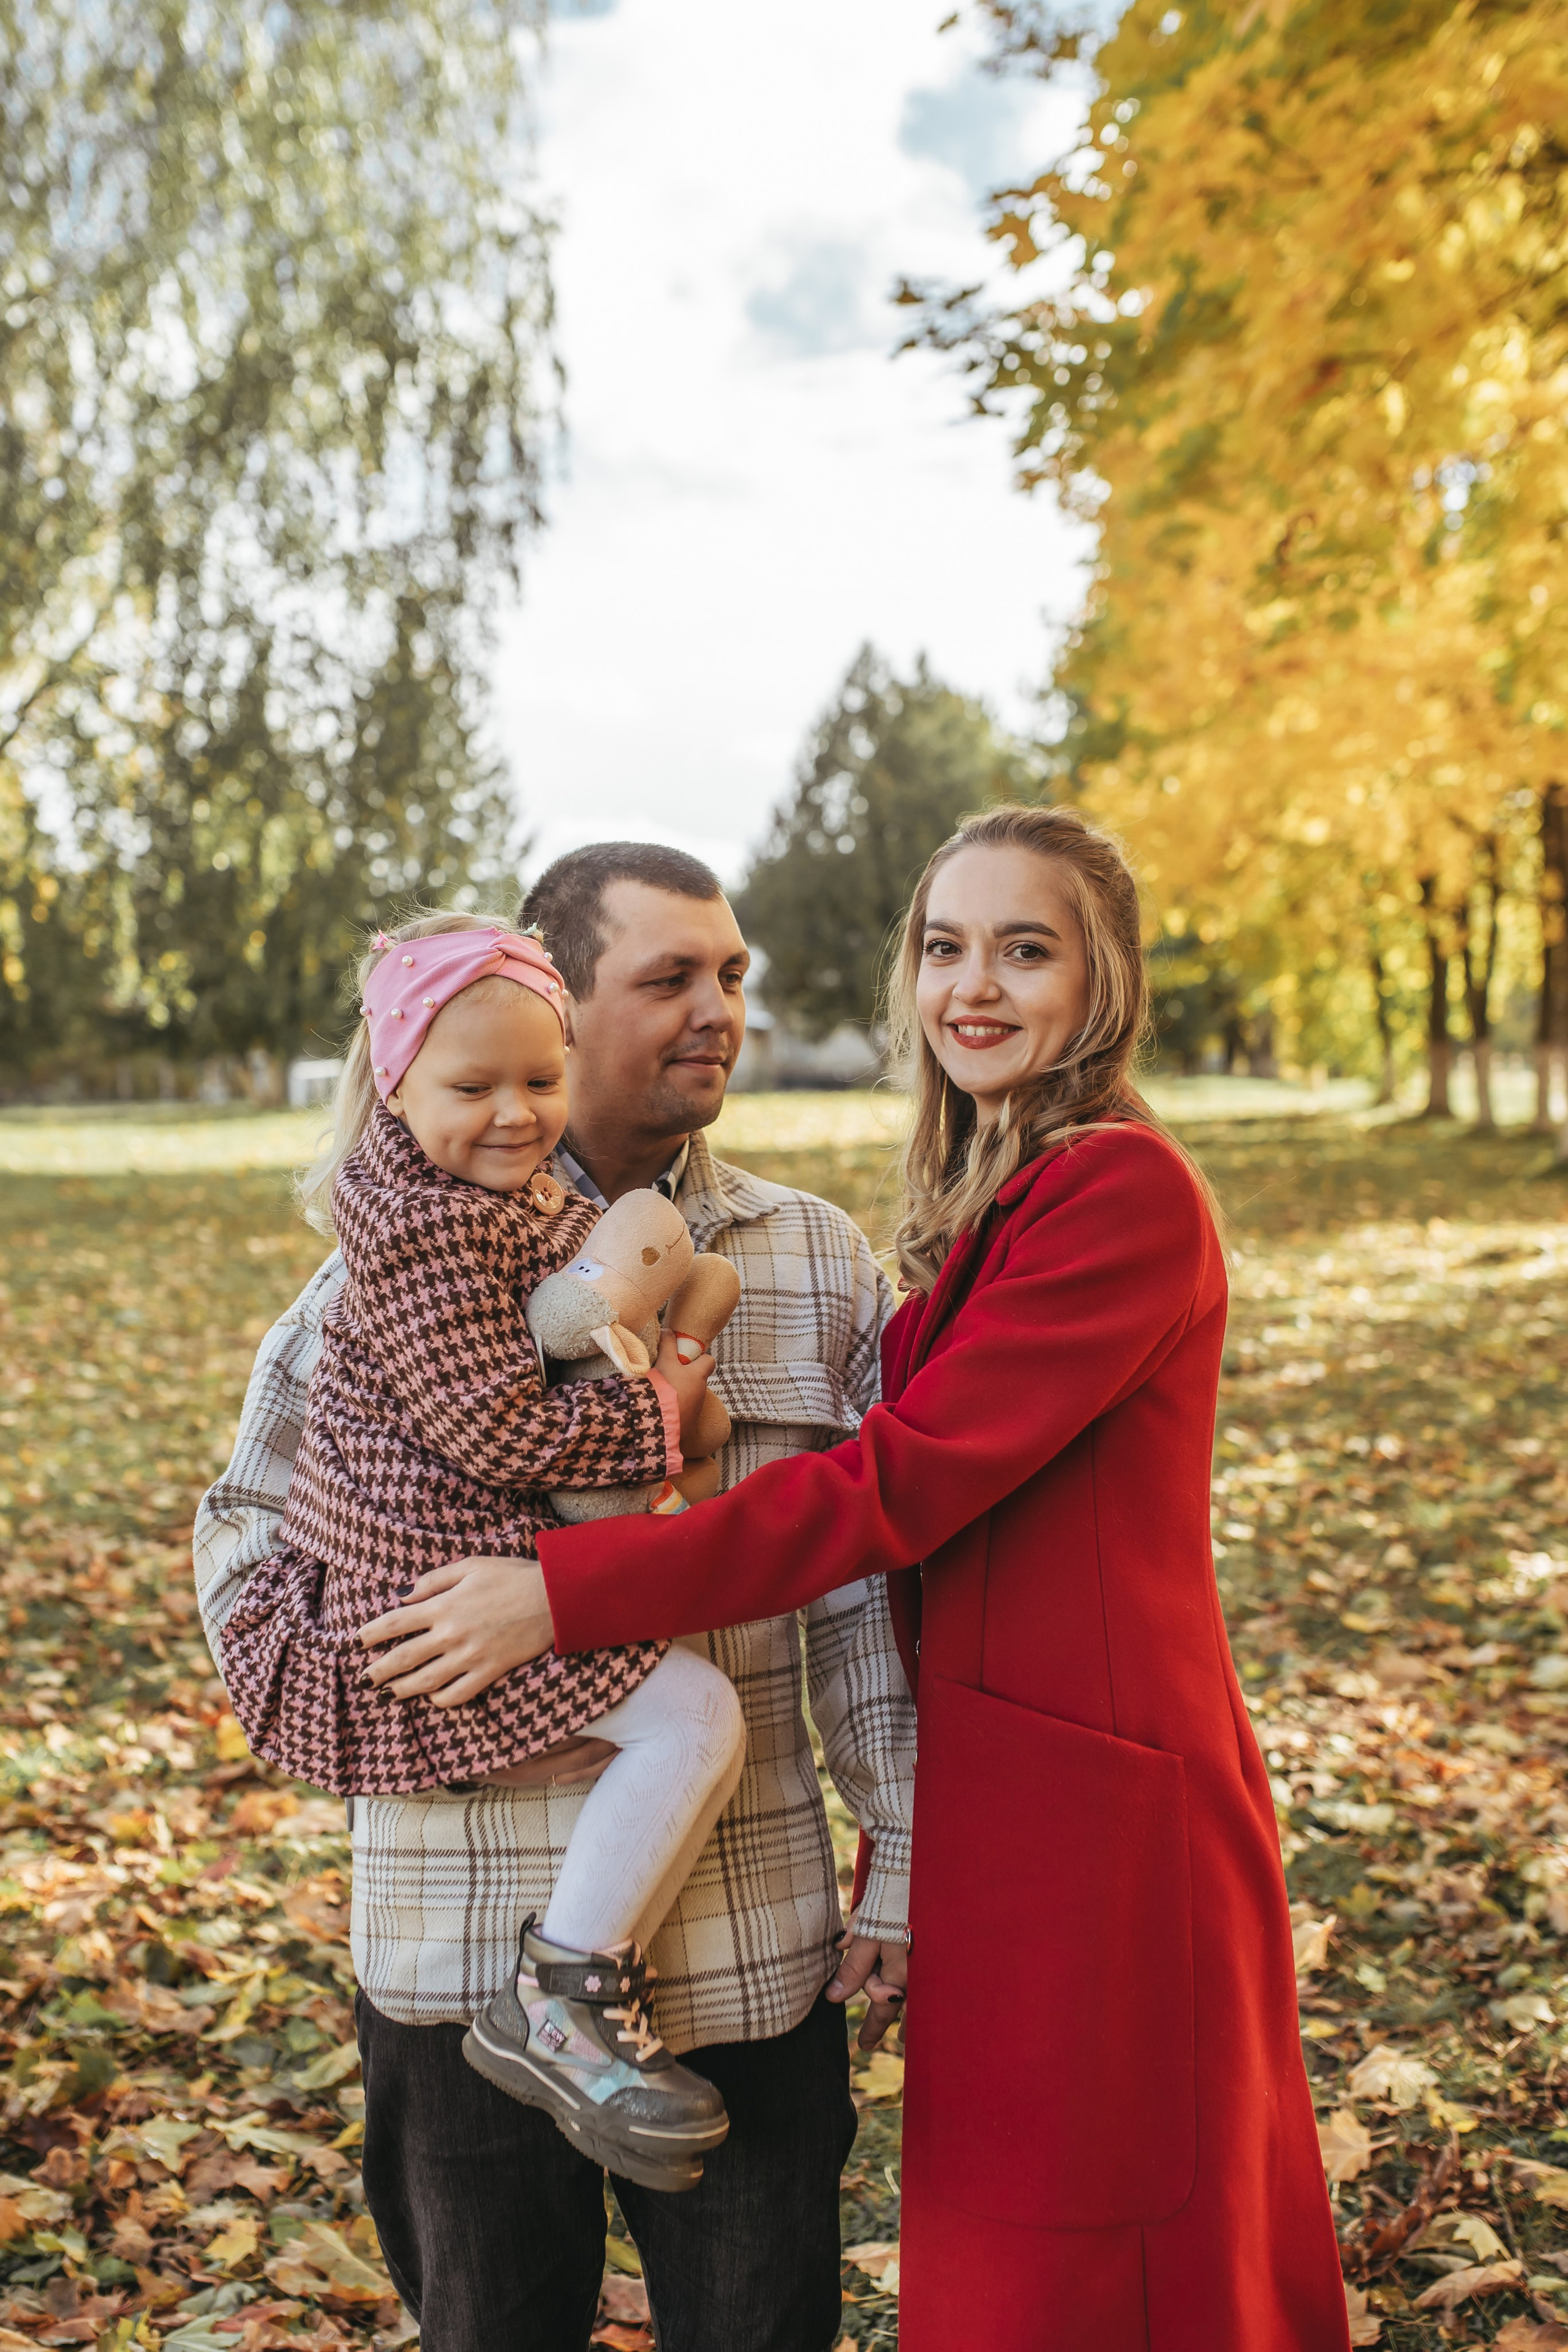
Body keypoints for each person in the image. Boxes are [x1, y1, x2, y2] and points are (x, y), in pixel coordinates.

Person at [423, 805, 1351, 2351]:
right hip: (1011, 1783)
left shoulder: (1118, 1196)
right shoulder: (1006, 1192)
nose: (970, 986)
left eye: (1023, 950)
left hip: (1097, 1811)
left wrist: (567, 1588)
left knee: (1103, 2255)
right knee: (1018, 2241)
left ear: (1103, 979)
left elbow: (891, 1489)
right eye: (942, 947)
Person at [194, 842, 916, 2352]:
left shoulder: (807, 1257)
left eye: (731, 975)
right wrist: (392, 1684)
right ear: (558, 1005)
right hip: (456, 1946)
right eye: (669, 978)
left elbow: (864, 1592)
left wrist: (902, 1846)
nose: (717, 1010)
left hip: (742, 1951)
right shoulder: (389, 1268)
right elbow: (247, 1527)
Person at [217, 913, 746, 2189]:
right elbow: (495, 1428)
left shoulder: (491, 1201)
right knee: (694, 1720)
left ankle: (576, 1984)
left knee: (687, 1720)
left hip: (461, 1559)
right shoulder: (423, 1234)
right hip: (427, 1587)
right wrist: (659, 1409)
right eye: (472, 1088)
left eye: (538, 1080)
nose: (515, 1114)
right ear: (394, 1087)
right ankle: (561, 1996)